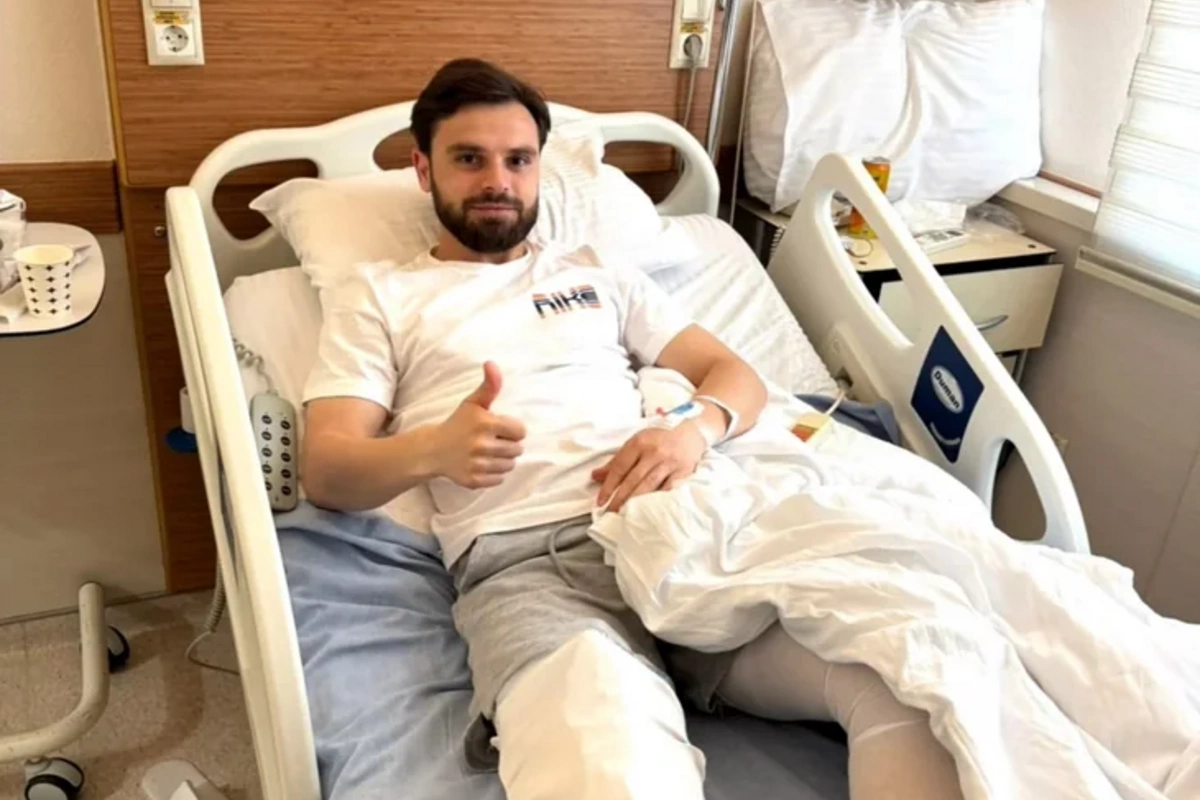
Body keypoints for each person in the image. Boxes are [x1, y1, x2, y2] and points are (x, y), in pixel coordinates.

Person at [300, 58, 963, 800]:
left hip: (684, 529)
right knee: (610, 760)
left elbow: (732, 374)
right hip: (532, 563)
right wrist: (431, 450)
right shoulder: (381, 296)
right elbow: (325, 469)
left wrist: (692, 430)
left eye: (518, 160)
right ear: (423, 169)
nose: (497, 181)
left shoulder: (595, 274)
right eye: (468, 159)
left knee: (908, 682)